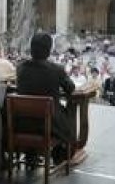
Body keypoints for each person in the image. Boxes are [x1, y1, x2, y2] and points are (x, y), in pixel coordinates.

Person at [16, 33, 75, 163]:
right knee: (68, 113)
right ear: (48, 51)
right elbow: (70, 88)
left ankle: (32, 152)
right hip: (48, 126)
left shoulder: (20, 67)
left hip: (23, 124)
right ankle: (62, 152)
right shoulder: (56, 69)